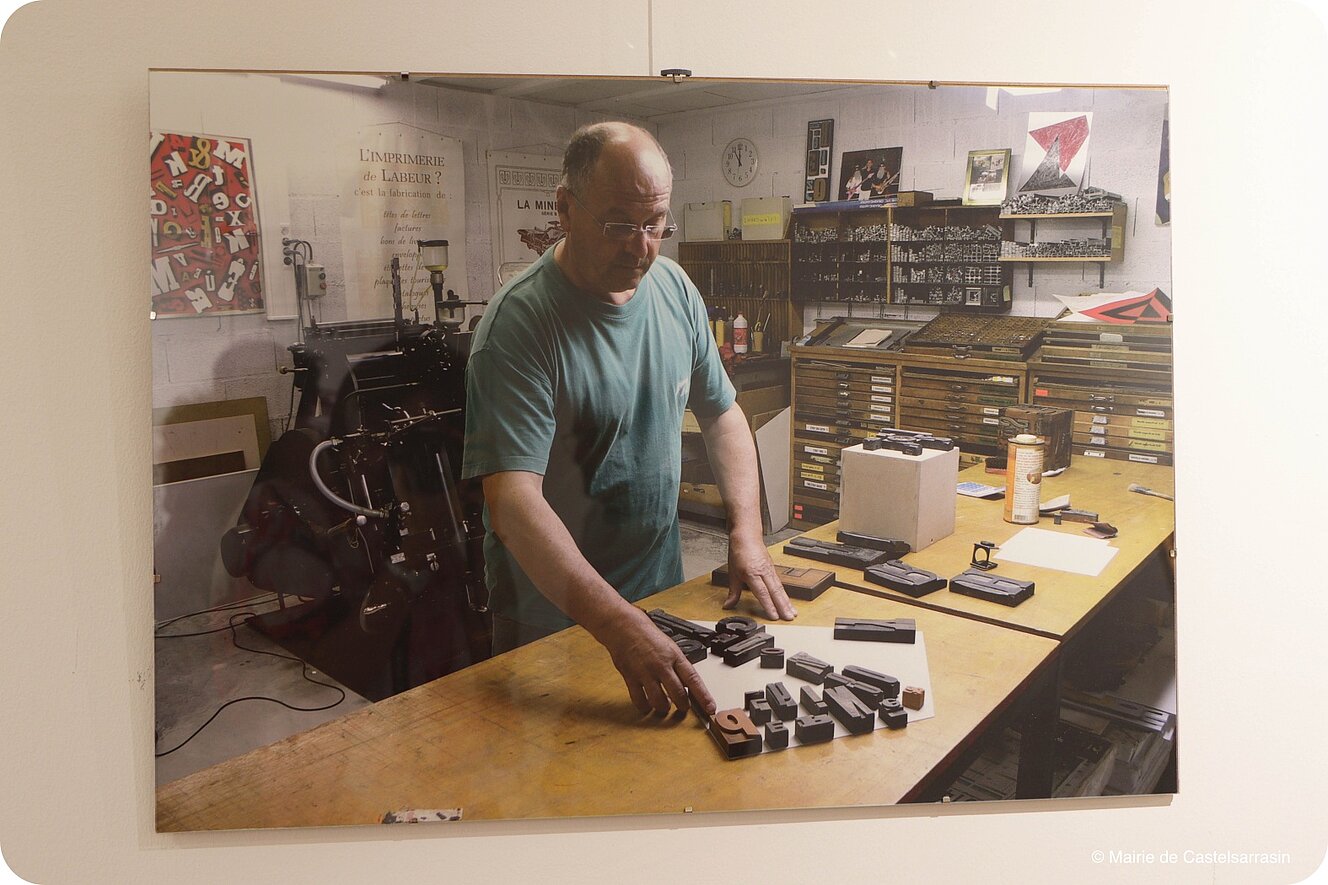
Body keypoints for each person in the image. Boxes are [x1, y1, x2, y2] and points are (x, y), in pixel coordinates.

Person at [462, 122, 796, 718]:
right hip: (552, 612)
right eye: (619, 224)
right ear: (564, 208)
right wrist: (616, 624)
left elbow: (722, 415)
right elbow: (512, 503)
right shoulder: (520, 325)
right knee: (557, 793)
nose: (641, 247)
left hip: (658, 587)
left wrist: (746, 531)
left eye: (655, 224)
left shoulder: (673, 288)